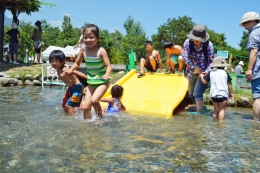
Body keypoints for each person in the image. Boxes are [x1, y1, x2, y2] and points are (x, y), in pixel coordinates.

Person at [62, 24, 112, 120]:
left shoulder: (101, 51)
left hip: (102, 82)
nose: (88, 40)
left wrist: (107, 74)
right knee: (86, 107)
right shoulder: (83, 50)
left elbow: (109, 66)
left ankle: (100, 120)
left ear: (97, 38)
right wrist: (70, 70)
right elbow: (77, 63)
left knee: (94, 100)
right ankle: (86, 125)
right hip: (91, 83)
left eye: (91, 37)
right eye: (85, 37)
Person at [182, 24, 215, 112]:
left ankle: (199, 113)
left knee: (198, 93)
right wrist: (194, 67)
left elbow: (211, 61)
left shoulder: (209, 45)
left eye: (197, 39)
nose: (194, 40)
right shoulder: (188, 42)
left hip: (204, 72)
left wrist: (204, 73)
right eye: (193, 37)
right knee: (191, 93)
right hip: (191, 71)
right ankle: (198, 108)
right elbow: (185, 57)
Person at [49, 50, 88, 115]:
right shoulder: (58, 69)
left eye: (56, 61)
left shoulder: (64, 69)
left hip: (77, 88)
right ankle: (71, 114)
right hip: (70, 88)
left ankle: (72, 119)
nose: (54, 63)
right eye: (52, 61)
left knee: (69, 106)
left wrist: (88, 78)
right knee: (64, 105)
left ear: (63, 61)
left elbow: (77, 72)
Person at [239, 12, 260, 121]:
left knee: (257, 97)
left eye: (245, 24)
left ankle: (256, 123)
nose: (245, 27)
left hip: (259, 69)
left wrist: (249, 69)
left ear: (252, 21)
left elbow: (254, 51)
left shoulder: (255, 32)